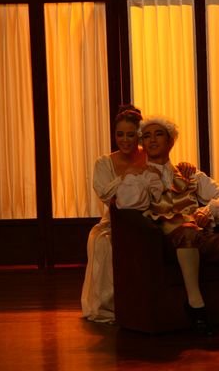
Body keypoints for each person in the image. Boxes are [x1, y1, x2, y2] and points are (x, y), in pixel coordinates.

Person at [115, 115, 219, 340]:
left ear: (170, 141)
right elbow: (124, 204)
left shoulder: (189, 174)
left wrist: (208, 211)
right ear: (142, 144)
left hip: (201, 235)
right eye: (146, 136)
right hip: (168, 243)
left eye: (158, 134)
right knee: (187, 232)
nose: (152, 140)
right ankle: (196, 306)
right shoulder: (139, 177)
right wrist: (142, 176)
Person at [81, 105, 195, 323]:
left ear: (139, 136)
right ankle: (111, 308)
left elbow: (168, 174)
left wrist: (184, 167)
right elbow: (107, 196)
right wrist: (127, 175)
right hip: (117, 221)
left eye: (131, 135)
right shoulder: (104, 163)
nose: (125, 140)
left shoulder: (149, 155)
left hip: (152, 217)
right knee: (104, 243)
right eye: (120, 134)